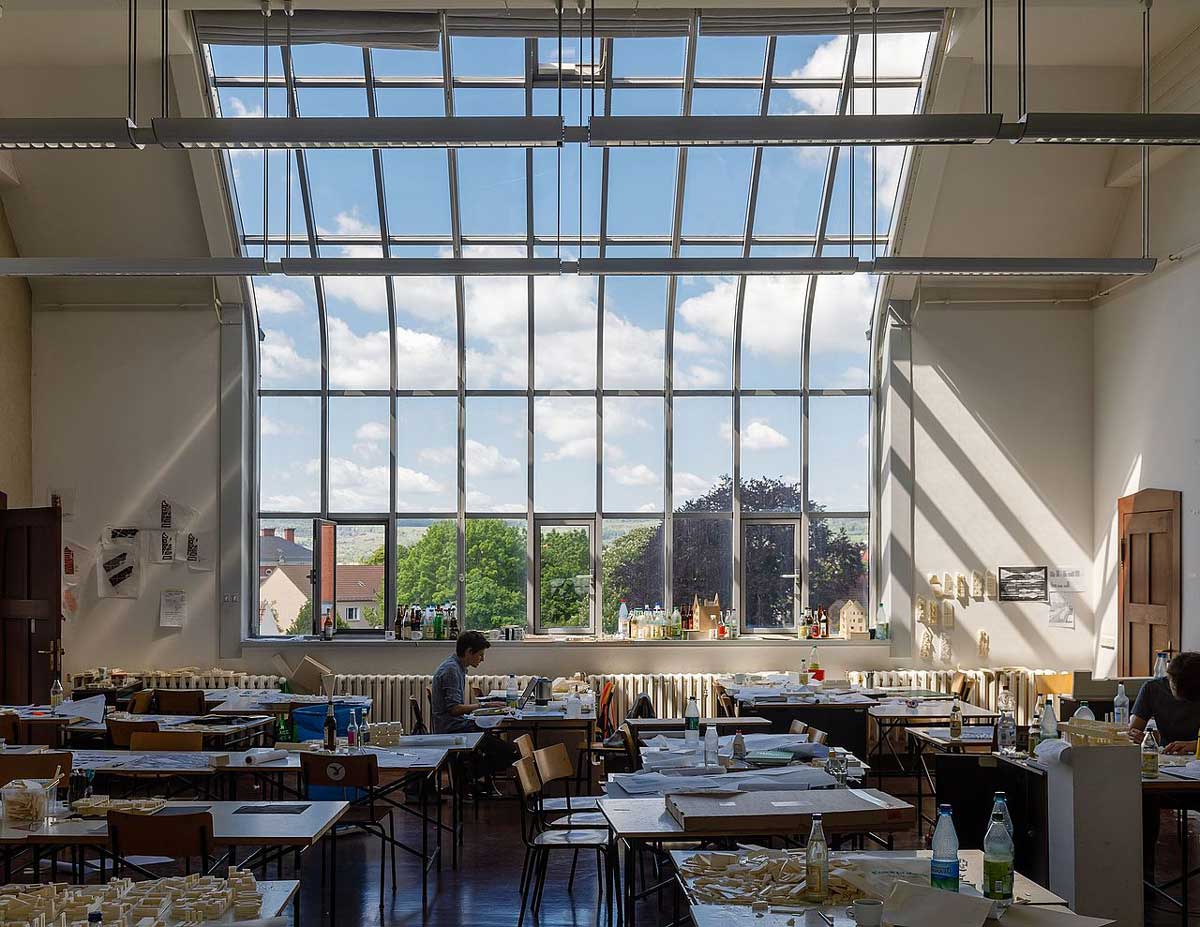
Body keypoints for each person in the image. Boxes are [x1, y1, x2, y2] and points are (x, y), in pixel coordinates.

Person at [431, 630, 519, 792]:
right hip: (453, 728)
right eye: (480, 655)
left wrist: (486, 707)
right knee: (511, 753)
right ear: (468, 652)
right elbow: (454, 709)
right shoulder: (451, 671)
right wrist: (483, 707)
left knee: (497, 743)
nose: (482, 659)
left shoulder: (457, 666)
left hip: (455, 724)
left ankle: (465, 778)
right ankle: (465, 777)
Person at [1129, 651, 1200, 753]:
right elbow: (1133, 732)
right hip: (1165, 755)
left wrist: (1196, 746)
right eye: (1176, 688)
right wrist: (1139, 737)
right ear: (1169, 677)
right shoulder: (1152, 689)